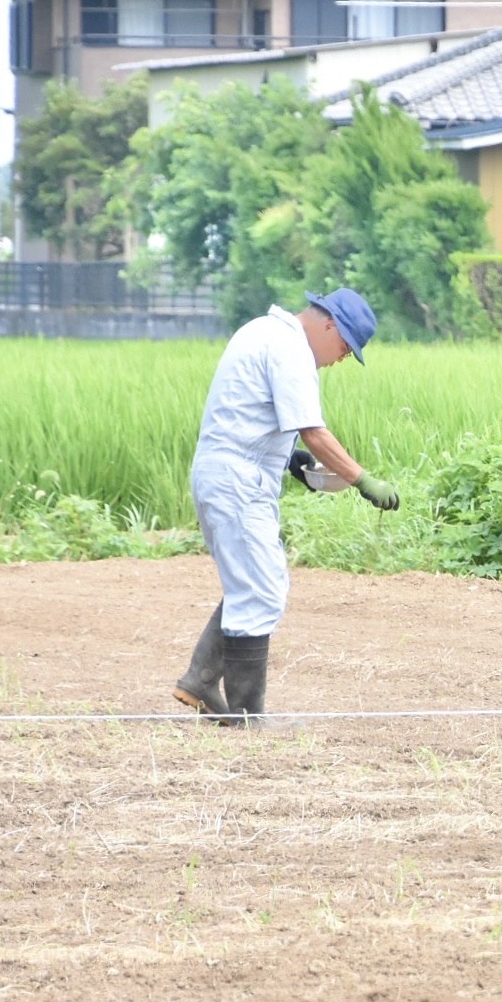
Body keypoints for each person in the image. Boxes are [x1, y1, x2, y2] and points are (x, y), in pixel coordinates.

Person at [173, 289, 400, 725]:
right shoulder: (291, 349)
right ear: (330, 325)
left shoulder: (262, 331)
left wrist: (289, 459)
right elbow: (314, 430)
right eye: (345, 348)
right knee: (260, 591)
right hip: (238, 481)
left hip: (227, 471)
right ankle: (245, 713)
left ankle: (201, 681)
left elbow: (246, 413)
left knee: (254, 583)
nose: (339, 360)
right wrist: (362, 479)